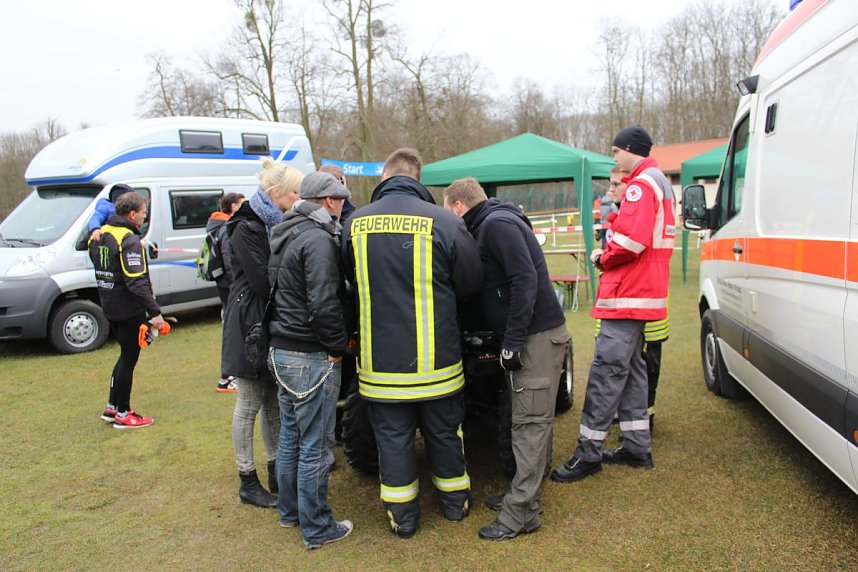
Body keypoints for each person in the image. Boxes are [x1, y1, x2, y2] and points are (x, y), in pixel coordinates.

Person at [341, 148, 483, 539]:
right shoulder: (444, 221)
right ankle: (456, 506)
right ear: (418, 179)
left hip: (379, 366)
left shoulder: (353, 223)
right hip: (438, 365)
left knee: (393, 440)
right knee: (444, 433)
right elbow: (471, 284)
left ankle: (402, 518)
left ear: (384, 177)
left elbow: (345, 283)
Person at [443, 178, 569, 542]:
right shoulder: (491, 224)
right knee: (523, 419)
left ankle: (521, 515)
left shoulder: (497, 225)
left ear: (458, 207)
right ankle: (523, 496)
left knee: (529, 425)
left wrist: (512, 341)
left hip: (536, 338)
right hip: (530, 336)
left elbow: (524, 278)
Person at [551, 125, 675, 483]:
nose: (615, 157)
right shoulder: (660, 180)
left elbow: (630, 242)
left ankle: (588, 453)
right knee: (633, 370)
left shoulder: (639, 184)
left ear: (630, 149)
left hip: (628, 293)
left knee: (607, 371)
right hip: (645, 293)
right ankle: (637, 446)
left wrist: (602, 258)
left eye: (617, 151)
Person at [268, 171, 354, 549]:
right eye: (340, 199)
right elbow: (323, 302)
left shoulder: (286, 230)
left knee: (291, 437)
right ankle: (317, 527)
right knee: (315, 446)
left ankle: (290, 513)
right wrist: (337, 346)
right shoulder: (318, 239)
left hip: (282, 349)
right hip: (309, 354)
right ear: (330, 202)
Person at [221, 158, 302, 508]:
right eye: (295, 191)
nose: (299, 197)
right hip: (248, 323)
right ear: (275, 193)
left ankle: (275, 471)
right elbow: (261, 277)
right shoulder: (246, 227)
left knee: (272, 403)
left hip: (267, 319)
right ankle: (247, 480)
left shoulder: (276, 223)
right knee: (250, 402)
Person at [603, 166, 670, 433]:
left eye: (614, 185)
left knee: (645, 368)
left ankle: (644, 418)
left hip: (640, 309)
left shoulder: (638, 215)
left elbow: (627, 255)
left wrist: (603, 258)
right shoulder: (617, 218)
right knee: (627, 370)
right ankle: (632, 417)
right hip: (624, 309)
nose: (610, 191)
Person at [90, 192, 164, 429]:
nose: (144, 216)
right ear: (132, 214)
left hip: (109, 304)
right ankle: (123, 412)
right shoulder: (128, 239)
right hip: (127, 307)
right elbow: (136, 283)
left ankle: (112, 407)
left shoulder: (100, 234)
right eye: (143, 212)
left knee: (124, 355)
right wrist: (155, 313)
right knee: (129, 358)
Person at [208, 192, 246, 393]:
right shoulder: (225, 227)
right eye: (241, 203)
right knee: (232, 328)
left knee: (231, 326)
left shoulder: (219, 224)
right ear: (232, 206)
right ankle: (226, 377)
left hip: (224, 284)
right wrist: (237, 283)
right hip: (229, 285)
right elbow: (228, 258)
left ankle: (229, 374)